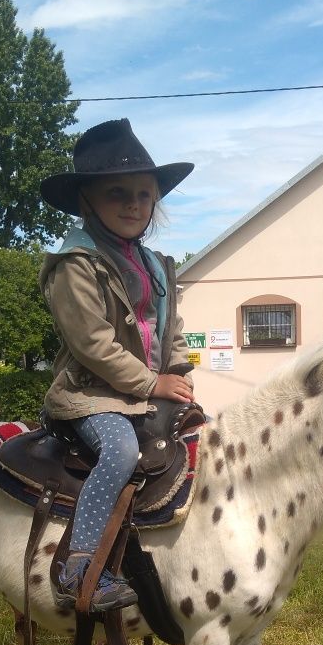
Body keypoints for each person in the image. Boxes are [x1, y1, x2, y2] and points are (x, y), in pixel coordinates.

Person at [38, 118, 195, 612]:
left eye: (144, 195)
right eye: (117, 194)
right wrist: (153, 383)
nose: (133, 204)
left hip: (148, 390)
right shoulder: (76, 264)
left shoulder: (155, 264)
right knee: (122, 452)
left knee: (198, 440)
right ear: (88, 201)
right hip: (92, 393)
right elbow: (93, 345)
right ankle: (78, 568)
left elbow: (170, 327)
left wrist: (179, 372)